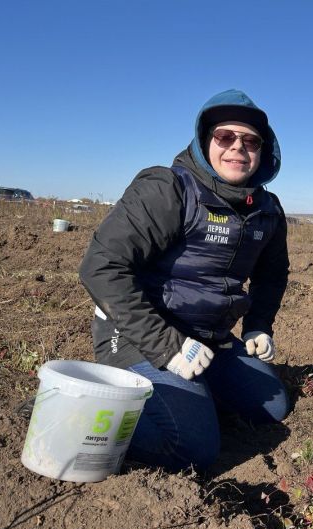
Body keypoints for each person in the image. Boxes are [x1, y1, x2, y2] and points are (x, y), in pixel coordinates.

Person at [79, 89, 290, 472]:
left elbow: (272, 276)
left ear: (263, 150)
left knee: (273, 407)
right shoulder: (167, 188)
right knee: (191, 447)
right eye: (225, 137)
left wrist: (259, 324)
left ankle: (191, 395)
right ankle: (84, 408)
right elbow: (101, 265)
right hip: (140, 336)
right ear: (205, 139)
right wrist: (168, 347)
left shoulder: (267, 210)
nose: (238, 148)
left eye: (251, 141)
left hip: (208, 339)